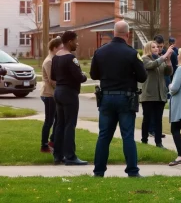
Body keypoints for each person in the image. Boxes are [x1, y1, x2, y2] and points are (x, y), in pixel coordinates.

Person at [91, 21, 147, 177]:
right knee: (127, 135)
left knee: (104, 135)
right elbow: (143, 77)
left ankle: (99, 171)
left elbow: (94, 75)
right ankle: (132, 171)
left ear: (113, 33)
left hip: (106, 97)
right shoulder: (131, 53)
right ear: (128, 34)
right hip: (126, 98)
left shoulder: (100, 52)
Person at [51, 31, 88, 165]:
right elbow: (79, 77)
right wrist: (84, 76)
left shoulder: (56, 57)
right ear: (69, 41)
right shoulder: (70, 58)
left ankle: (58, 155)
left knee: (60, 124)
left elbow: (53, 77)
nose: (77, 44)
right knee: (70, 124)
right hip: (69, 93)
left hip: (58, 91)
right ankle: (70, 156)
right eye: (75, 41)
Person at [140, 41, 173, 148]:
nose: (156, 49)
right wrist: (164, 57)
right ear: (148, 48)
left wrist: (168, 62)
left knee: (158, 119)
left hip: (160, 94)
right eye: (153, 47)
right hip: (149, 94)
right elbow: (151, 65)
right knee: (147, 118)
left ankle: (158, 142)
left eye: (157, 47)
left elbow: (168, 72)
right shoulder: (144, 59)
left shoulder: (160, 59)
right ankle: (144, 139)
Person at [40, 37, 63, 153]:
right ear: (54, 48)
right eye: (60, 48)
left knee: (58, 119)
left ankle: (53, 141)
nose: (61, 50)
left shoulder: (53, 60)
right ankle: (44, 145)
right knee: (49, 120)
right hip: (49, 94)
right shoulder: (49, 61)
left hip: (53, 94)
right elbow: (52, 80)